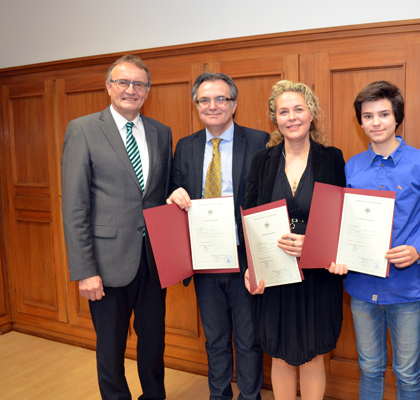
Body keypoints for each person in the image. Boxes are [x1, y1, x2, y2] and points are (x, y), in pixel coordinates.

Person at [328, 80, 420, 400]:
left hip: (407, 288)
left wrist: (418, 249)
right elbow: (343, 222)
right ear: (361, 121)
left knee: (407, 373)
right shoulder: (352, 167)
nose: (376, 122)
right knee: (369, 367)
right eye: (368, 116)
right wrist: (338, 252)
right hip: (362, 287)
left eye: (383, 114)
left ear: (397, 117)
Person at [62, 55, 172, 400]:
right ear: (109, 87)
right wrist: (85, 270)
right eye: (123, 82)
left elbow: (161, 194)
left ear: (148, 90)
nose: (131, 90)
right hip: (106, 263)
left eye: (139, 84)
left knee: (154, 342)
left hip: (154, 261)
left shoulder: (161, 132)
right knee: (110, 347)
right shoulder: (83, 129)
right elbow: (75, 205)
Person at [168, 72, 268, 400]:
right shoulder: (185, 146)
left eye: (221, 99)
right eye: (205, 100)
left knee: (248, 338)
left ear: (234, 103)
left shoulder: (259, 141)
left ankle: (250, 397)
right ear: (197, 105)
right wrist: (174, 195)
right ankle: (219, 395)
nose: (213, 106)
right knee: (215, 339)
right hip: (204, 258)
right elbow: (172, 191)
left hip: (244, 256)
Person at [243, 80, 346, 400]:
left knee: (314, 353)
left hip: (316, 273)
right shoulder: (263, 160)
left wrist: (313, 244)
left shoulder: (332, 158)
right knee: (280, 352)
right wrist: (251, 267)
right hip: (275, 272)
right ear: (275, 118)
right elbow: (248, 215)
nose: (291, 117)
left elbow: (341, 216)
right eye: (283, 111)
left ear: (311, 113)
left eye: (298, 109)